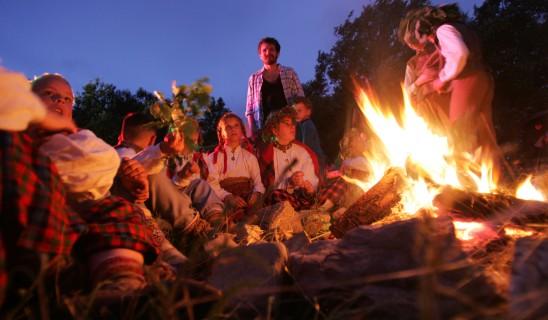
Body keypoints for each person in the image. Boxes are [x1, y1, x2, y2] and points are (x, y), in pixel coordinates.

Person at [400, 4, 497, 157]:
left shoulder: (443, 30)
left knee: (460, 131)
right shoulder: (460, 28)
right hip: (483, 78)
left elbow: (460, 54)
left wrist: (441, 78)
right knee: (486, 133)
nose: (424, 44)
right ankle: (492, 173)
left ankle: (465, 173)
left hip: (467, 80)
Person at [115, 113, 222, 233]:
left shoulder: (199, 159)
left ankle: (217, 220)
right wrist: (162, 150)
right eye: (187, 139)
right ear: (153, 139)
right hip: (156, 208)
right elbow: (132, 167)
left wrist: (183, 177)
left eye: (194, 140)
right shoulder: (127, 155)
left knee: (198, 184)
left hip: (169, 199)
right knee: (155, 175)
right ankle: (197, 228)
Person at [258, 107, 320, 211]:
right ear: (275, 130)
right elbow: (268, 188)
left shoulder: (302, 151)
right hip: (282, 200)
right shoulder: (268, 155)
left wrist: (309, 187)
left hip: (304, 198)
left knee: (342, 182)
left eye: (293, 124)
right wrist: (290, 183)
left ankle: (319, 207)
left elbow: (313, 181)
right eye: (287, 124)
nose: (292, 127)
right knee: (276, 195)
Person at [206, 113, 265, 222]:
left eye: (236, 125)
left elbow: (258, 183)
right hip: (224, 199)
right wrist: (228, 197)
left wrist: (256, 194)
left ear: (242, 130)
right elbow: (212, 184)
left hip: (246, 199)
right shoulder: (213, 158)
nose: (233, 129)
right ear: (222, 133)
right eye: (228, 127)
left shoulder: (250, 157)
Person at [246, 37, 304, 138]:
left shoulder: (290, 73)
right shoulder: (253, 79)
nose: (268, 52)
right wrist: (252, 132)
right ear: (260, 55)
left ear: (277, 53)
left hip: (290, 129)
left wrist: (300, 123)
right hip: (265, 131)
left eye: (272, 49)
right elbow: (250, 110)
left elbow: (300, 100)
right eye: (264, 50)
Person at [318, 129, 371, 217]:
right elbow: (336, 169)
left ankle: (342, 208)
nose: (361, 141)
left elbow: (366, 166)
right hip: (345, 187)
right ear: (351, 143)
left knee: (346, 180)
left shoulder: (367, 156)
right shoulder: (345, 156)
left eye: (361, 139)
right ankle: (326, 208)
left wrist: (347, 165)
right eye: (357, 139)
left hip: (359, 188)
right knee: (343, 180)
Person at [293, 96, 327, 173]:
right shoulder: (301, 125)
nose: (296, 114)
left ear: (308, 112)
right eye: (294, 111)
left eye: (299, 111)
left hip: (316, 161)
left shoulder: (307, 125)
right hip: (312, 160)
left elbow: (305, 147)